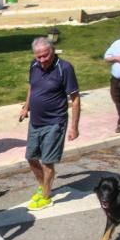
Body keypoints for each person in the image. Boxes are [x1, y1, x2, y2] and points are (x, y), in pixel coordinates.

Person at [21, 37, 80, 211]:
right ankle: (45, 186)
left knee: (47, 162)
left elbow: (75, 99)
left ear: (52, 51)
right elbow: (32, 87)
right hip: (35, 122)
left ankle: (46, 197)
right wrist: (26, 107)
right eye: (38, 57)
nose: (42, 60)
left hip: (55, 122)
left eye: (45, 56)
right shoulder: (34, 65)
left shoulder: (65, 68)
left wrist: (74, 127)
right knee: (31, 157)